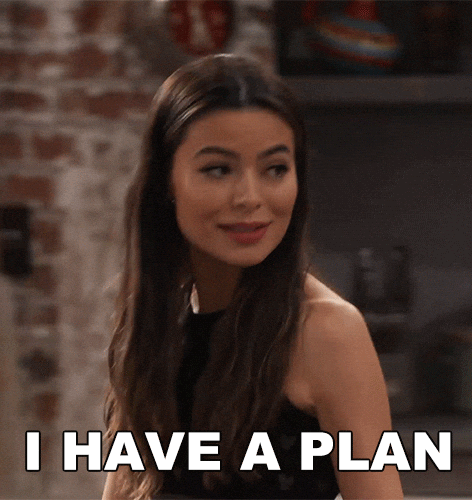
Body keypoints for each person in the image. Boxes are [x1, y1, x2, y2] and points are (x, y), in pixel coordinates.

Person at [102, 54, 403, 500]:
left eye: (274, 169)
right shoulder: (156, 324)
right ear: (167, 182)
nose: (250, 197)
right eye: (218, 169)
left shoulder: (326, 332)